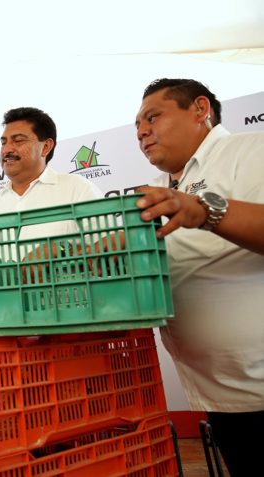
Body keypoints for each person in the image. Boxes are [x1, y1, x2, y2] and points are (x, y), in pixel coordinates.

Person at [134, 78, 264, 477]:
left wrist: (206, 211)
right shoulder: (157, 188)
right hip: (221, 397)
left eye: (152, 117)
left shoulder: (250, 150)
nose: (141, 132)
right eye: (136, 127)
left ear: (200, 109)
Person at [0, 107, 102, 224]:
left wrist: (63, 248)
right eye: (3, 143)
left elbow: (112, 239)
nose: (7, 149)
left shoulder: (76, 188)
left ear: (46, 147)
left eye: (18, 140)